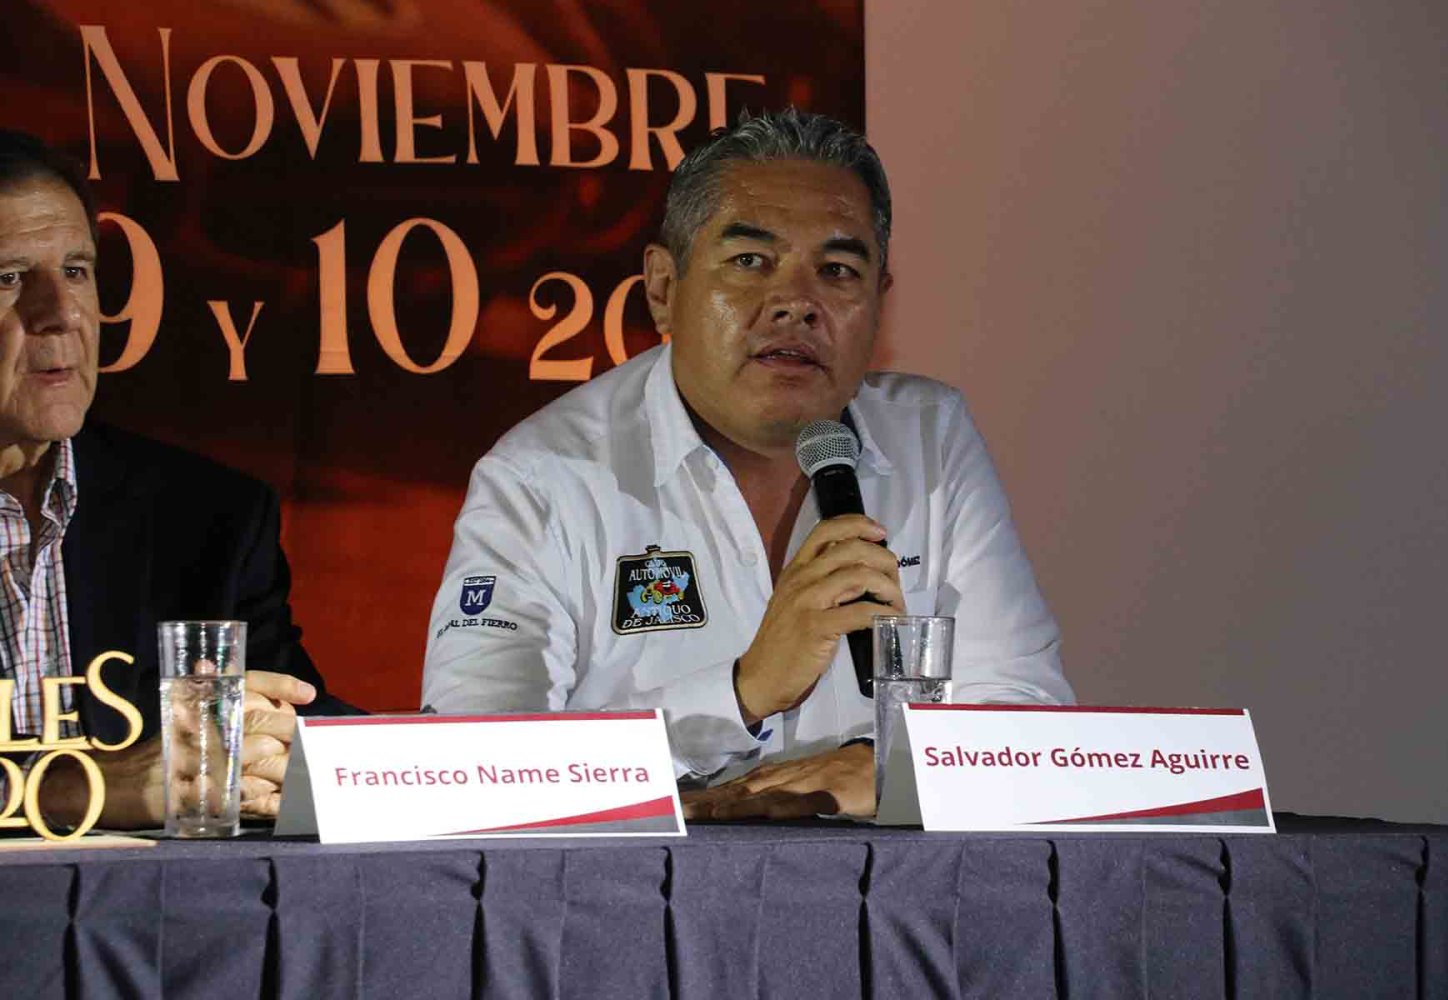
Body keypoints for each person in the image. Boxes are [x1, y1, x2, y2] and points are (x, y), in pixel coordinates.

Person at [422, 109, 1072, 818]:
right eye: (750, 262)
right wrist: (742, 693)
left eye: (837, 270)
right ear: (664, 288)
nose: (796, 304)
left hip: (883, 879)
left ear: (878, 304)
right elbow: (477, 768)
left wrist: (887, 766)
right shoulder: (543, 478)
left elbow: (1027, 715)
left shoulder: (930, 439)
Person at [0, 129, 351, 830]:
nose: (61, 313)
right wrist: (80, 789)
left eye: (76, 270)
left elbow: (298, 736)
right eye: (7, 278)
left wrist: (457, 769)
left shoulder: (206, 517)